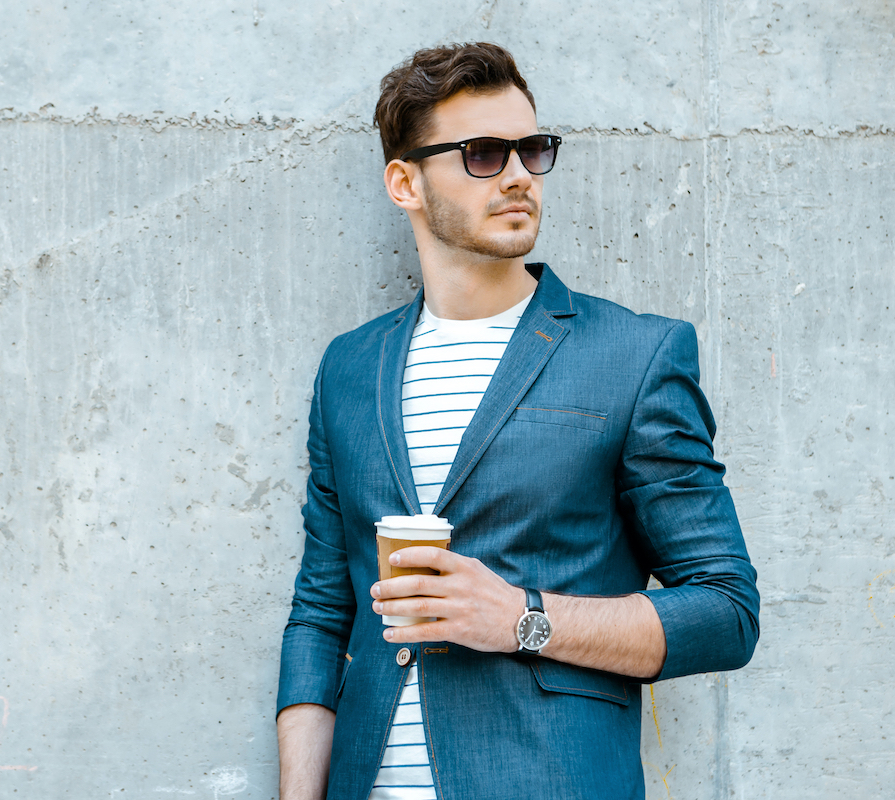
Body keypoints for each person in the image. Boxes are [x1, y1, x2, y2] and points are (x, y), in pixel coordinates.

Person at [275, 42, 759, 800]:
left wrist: (519, 619)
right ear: (404, 182)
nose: (518, 176)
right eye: (481, 154)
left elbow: (725, 613)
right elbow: (319, 613)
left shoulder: (635, 355)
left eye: (531, 151)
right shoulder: (349, 368)